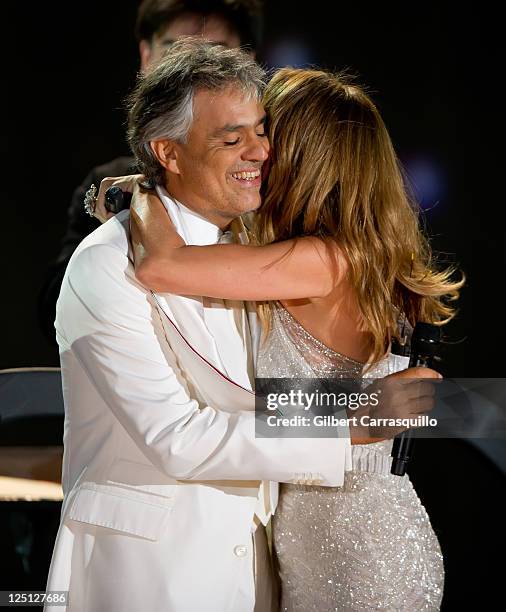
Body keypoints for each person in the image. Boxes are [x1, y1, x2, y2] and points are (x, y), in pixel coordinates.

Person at [46, 39, 432, 612]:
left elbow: (266, 401)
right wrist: (352, 416)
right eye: (233, 138)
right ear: (168, 153)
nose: (260, 150)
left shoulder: (284, 258)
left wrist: (402, 405)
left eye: (263, 131)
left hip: (301, 559)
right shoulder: (108, 262)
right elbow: (176, 437)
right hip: (147, 576)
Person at [37, 0, 263, 343]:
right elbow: (59, 309)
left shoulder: (282, 179)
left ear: (247, 63)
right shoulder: (110, 190)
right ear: (146, 57)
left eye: (214, 52)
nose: (195, 68)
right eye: (175, 50)